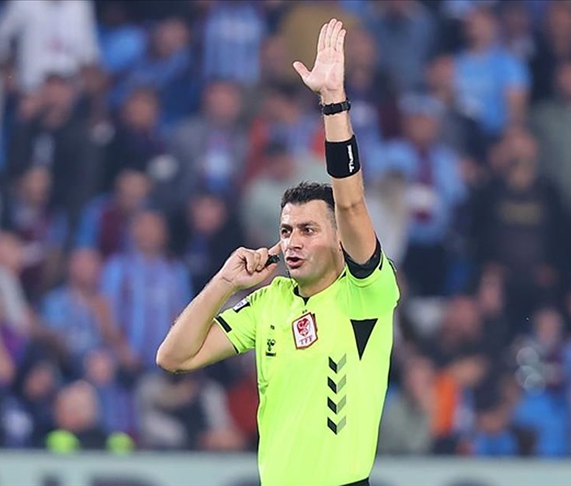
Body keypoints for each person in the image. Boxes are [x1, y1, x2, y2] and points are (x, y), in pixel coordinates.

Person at [157, 19, 400, 486]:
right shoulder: (268, 302)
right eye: (286, 231)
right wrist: (225, 282)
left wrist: (333, 100)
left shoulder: (365, 295)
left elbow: (350, 202)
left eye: (308, 230)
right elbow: (174, 357)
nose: (293, 241)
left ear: (339, 239)